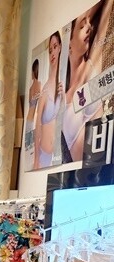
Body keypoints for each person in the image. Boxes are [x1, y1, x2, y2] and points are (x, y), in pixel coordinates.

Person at [62, 0, 114, 162]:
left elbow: (106, 9)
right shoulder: (62, 95)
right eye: (81, 26)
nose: (88, 28)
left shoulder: (92, 65)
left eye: (89, 24)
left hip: (103, 168)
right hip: (77, 174)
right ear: (68, 45)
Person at [33, 33, 61, 169]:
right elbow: (37, 126)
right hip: (43, 156)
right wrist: (36, 159)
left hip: (56, 157)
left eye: (55, 47)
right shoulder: (44, 90)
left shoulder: (61, 85)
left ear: (60, 47)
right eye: (50, 50)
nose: (52, 53)